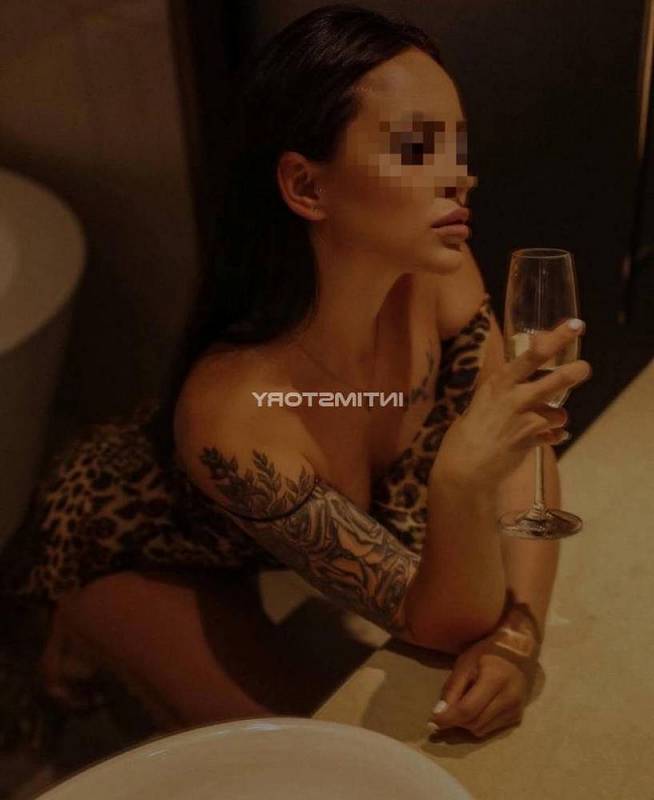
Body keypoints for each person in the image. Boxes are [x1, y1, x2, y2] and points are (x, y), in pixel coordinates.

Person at [0, 3, 591, 752]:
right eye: (417, 148)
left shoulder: (436, 270)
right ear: (307, 187)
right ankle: (84, 623)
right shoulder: (235, 411)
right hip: (132, 543)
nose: (461, 176)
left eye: (458, 145)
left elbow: (522, 456)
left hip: (246, 535)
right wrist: (459, 481)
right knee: (307, 756)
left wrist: (515, 637)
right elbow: (443, 620)